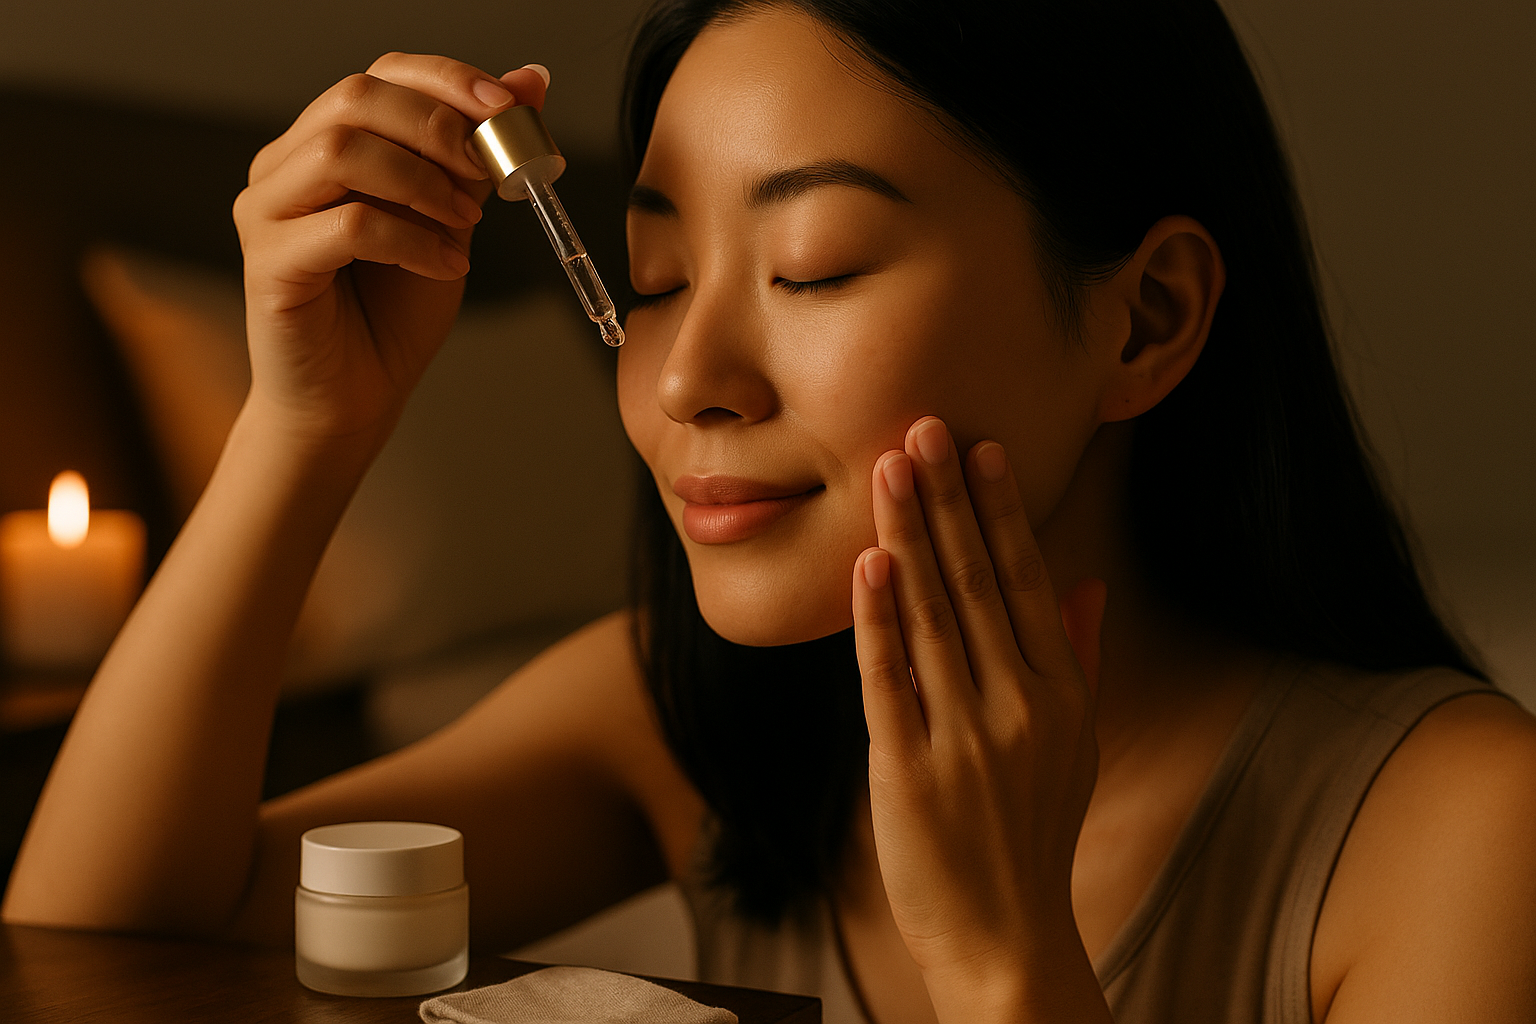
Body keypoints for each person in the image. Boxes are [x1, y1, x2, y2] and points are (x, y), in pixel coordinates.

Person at [5, 1, 1535, 1021]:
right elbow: (92, 950)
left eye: (814, 267)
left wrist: (1005, 961)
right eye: (659, 279)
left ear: (1147, 319)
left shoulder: (1462, 827)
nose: (688, 380)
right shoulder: (682, 718)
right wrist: (300, 430)